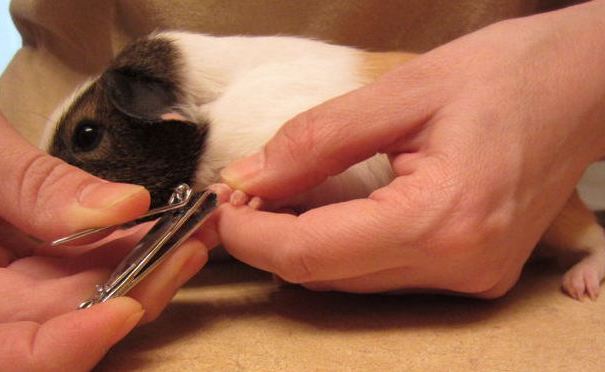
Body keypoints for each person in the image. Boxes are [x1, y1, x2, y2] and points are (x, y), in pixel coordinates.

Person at [0, 0, 603, 369]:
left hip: (509, 142)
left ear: (164, 109)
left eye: (85, 144)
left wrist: (577, 68)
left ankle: (594, 246)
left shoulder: (255, 106)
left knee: (570, 231)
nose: (71, 175)